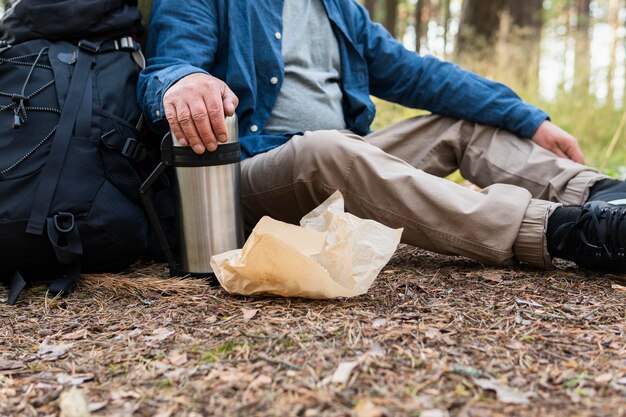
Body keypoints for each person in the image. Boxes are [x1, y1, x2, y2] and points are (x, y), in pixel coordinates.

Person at [138, 0, 626, 273]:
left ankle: (603, 197)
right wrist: (183, 81)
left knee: (461, 125)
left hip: (342, 158)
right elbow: (164, 68)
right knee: (326, 148)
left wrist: (530, 118)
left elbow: (421, 75)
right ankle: (564, 231)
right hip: (249, 174)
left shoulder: (338, 9)